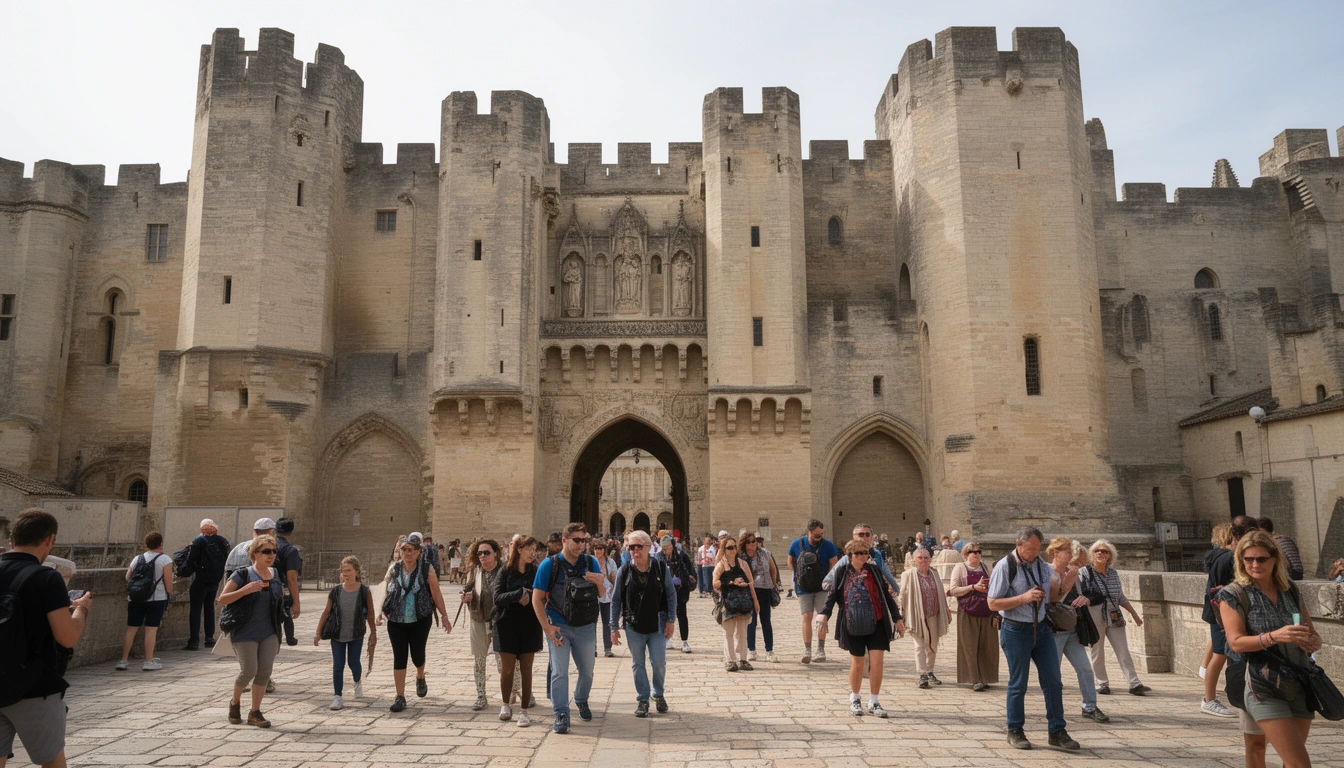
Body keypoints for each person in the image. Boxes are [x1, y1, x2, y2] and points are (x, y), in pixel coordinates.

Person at [1218, 530, 1322, 768]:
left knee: (1292, 758)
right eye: (1248, 559)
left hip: (1298, 679)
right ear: (1240, 561)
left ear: (1275, 559)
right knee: (1283, 756)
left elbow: (1312, 633)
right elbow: (1235, 642)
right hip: (1260, 681)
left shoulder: (1290, 590)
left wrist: (1312, 642)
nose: (1255, 565)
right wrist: (1274, 636)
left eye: (1261, 559)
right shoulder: (1234, 594)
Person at [0, 508, 92, 768]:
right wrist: (81, 609)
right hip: (35, 688)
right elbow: (67, 637)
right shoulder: (47, 578)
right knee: (52, 762)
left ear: (12, 538)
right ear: (49, 540)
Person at [987, 526, 1078, 751]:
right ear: (1018, 544)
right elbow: (993, 603)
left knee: (1053, 682)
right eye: (1030, 549)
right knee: (1018, 683)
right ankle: (1015, 730)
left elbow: (1053, 597)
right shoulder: (1005, 566)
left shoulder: (1040, 565)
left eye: (1037, 549)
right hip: (1015, 629)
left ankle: (1057, 731)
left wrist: (1066, 583)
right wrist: (1024, 598)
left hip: (1042, 629)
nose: (1034, 554)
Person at [817, 539, 905, 718]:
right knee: (857, 663)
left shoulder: (874, 571)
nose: (863, 556)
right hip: (853, 621)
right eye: (859, 553)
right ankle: (855, 697)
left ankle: (874, 701)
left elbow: (886, 595)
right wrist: (824, 615)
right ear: (850, 555)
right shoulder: (842, 572)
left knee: (877, 662)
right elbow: (832, 596)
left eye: (866, 553)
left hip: (877, 620)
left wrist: (897, 617)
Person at [533, 522, 606, 734]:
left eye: (584, 540)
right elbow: (537, 599)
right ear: (564, 540)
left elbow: (602, 594)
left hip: (585, 626)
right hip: (559, 626)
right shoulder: (550, 565)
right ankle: (561, 712)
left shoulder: (590, 562)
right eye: (576, 540)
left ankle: (581, 699)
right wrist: (547, 628)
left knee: (587, 672)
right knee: (559, 671)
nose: (581, 544)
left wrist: (599, 582)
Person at [378, 533, 451, 713]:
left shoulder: (426, 569)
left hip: (420, 619)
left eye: (410, 550)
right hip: (396, 619)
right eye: (404, 549)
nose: (407, 553)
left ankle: (420, 676)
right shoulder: (394, 568)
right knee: (399, 657)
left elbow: (436, 593)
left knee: (417, 655)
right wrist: (378, 611)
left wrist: (444, 616)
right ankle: (400, 696)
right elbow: (384, 590)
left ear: (418, 552)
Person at [218, 534, 285, 728]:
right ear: (254, 553)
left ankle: (255, 712)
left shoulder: (275, 574)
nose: (271, 555)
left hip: (269, 631)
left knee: (264, 672)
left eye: (274, 551)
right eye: (266, 551)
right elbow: (222, 599)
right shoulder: (242, 574)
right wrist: (245, 590)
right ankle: (235, 703)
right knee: (249, 670)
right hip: (245, 631)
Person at [609, 531, 678, 717]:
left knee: (658, 662)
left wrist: (671, 620)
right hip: (634, 625)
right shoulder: (624, 571)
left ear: (648, 547)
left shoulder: (660, 568)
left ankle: (658, 694)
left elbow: (671, 594)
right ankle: (643, 699)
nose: (635, 550)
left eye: (639, 546)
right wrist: (613, 627)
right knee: (638, 663)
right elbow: (616, 600)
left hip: (657, 623)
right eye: (631, 547)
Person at [1046, 538, 1109, 723]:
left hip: (1073, 630)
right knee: (1053, 673)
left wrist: (1085, 598)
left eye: (1082, 563)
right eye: (1077, 562)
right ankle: (1053, 709)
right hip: (1054, 631)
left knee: (1085, 669)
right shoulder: (1047, 572)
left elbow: (1098, 592)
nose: (1080, 566)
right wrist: (1066, 582)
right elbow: (1049, 600)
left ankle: (1089, 706)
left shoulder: (1078, 575)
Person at [1079, 540, 1149, 696]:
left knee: (1123, 649)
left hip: (1113, 614)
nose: (1100, 553)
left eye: (1105, 551)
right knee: (1097, 651)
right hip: (1094, 613)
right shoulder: (1084, 572)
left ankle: (1134, 683)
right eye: (1097, 551)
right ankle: (1101, 683)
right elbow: (1080, 593)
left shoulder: (1113, 573)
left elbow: (1120, 597)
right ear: (1092, 554)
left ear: (1110, 556)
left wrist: (1134, 614)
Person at [312, 556, 376, 710]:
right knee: (338, 665)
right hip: (337, 634)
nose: (345, 574)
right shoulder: (335, 591)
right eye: (343, 571)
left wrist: (373, 632)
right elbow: (326, 612)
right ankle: (338, 697)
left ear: (357, 572)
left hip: (356, 634)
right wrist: (318, 632)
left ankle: (357, 682)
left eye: (348, 570)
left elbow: (370, 614)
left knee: (353, 663)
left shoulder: (364, 591)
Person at [494, 536, 543, 726]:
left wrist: (530, 595)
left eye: (534, 549)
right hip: (506, 624)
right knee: (507, 670)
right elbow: (497, 597)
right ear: (519, 550)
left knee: (526, 670)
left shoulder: (535, 571)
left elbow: (541, 595)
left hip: (529, 624)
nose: (533, 553)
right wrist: (519, 594)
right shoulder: (505, 571)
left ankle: (524, 711)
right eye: (529, 549)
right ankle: (505, 704)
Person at [947, 540, 999, 691]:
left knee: (987, 645)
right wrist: (973, 587)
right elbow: (953, 590)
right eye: (972, 552)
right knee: (969, 645)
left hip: (986, 610)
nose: (976, 554)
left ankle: (985, 677)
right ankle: (974, 679)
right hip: (968, 610)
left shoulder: (985, 567)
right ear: (965, 554)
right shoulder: (960, 568)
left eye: (978, 552)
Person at [117, 531, 172, 671]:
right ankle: (148, 661)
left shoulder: (137, 558)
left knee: (131, 629)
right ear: (160, 544)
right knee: (151, 630)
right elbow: (169, 584)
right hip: (156, 598)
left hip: (135, 598)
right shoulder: (165, 559)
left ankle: (123, 660)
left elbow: (127, 577)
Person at [788, 519, 838, 664]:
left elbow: (834, 563)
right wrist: (799, 575)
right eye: (816, 534)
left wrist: (827, 580)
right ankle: (807, 650)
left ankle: (821, 649)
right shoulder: (796, 544)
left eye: (821, 534)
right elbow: (790, 562)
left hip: (822, 587)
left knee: (821, 617)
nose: (819, 537)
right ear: (808, 532)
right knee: (807, 616)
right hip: (803, 587)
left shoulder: (828, 545)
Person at [1201, 522, 1238, 717]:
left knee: (1222, 653)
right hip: (1223, 613)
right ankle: (1209, 699)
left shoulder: (1217, 557)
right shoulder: (1227, 558)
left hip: (1218, 611)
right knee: (1220, 654)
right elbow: (1223, 589)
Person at [461, 538, 503, 710]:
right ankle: (481, 696)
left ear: (495, 553)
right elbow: (467, 588)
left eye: (486, 552)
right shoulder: (475, 571)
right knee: (479, 659)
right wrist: (466, 595)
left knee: (504, 662)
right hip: (478, 618)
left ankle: (514, 690)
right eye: (479, 553)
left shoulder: (504, 570)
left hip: (500, 620)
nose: (482, 556)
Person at [898, 547, 948, 688]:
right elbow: (902, 595)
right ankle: (922, 674)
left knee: (932, 645)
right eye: (920, 557)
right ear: (915, 560)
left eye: (926, 558)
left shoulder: (935, 574)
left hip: (933, 615)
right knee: (919, 645)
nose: (923, 560)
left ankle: (930, 670)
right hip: (916, 616)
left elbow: (941, 593)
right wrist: (901, 615)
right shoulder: (908, 575)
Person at [713, 534, 760, 671]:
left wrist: (755, 601)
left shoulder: (743, 564)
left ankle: (743, 659)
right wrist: (731, 582)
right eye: (729, 548)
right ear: (724, 549)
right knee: (728, 633)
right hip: (728, 603)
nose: (733, 550)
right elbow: (715, 583)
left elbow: (751, 584)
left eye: (734, 547)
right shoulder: (721, 565)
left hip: (743, 602)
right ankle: (730, 660)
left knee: (742, 633)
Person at [184, 519, 230, 651]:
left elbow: (191, 561)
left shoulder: (199, 541)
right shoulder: (222, 541)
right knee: (209, 608)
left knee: (196, 610)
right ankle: (209, 638)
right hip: (215, 579)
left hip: (200, 579)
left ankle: (194, 640)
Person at [742, 532, 779, 662]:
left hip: (764, 589)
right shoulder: (741, 556)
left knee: (766, 620)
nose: (752, 543)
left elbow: (772, 568)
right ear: (744, 543)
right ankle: (751, 650)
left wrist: (774, 582)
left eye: (754, 541)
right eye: (749, 542)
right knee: (751, 621)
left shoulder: (764, 552)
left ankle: (769, 650)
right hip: (748, 591)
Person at [655, 534, 696, 653]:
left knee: (682, 615)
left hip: (680, 591)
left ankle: (684, 641)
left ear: (672, 545)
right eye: (664, 547)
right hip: (664, 592)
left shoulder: (681, 556)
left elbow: (690, 571)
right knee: (665, 616)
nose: (666, 549)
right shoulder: (658, 557)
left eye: (668, 546)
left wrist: (683, 578)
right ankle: (667, 639)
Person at [274, 518, 303, 647]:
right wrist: (296, 602)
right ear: (290, 531)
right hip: (281, 587)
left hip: (263, 586)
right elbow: (291, 578)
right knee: (286, 612)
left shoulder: (266, 545)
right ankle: (289, 638)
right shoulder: (290, 550)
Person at [1258, 517, 1304, 581]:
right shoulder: (1284, 539)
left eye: (1262, 534)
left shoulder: (1277, 542)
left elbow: (1295, 569)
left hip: (1290, 577)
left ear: (1272, 532)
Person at [592, 540, 618, 657]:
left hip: (607, 594)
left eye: (600, 549)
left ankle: (608, 648)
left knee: (607, 622)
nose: (598, 551)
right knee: (592, 623)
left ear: (604, 550)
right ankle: (592, 648)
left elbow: (615, 575)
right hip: (593, 595)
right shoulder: (590, 561)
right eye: (596, 549)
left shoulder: (610, 561)